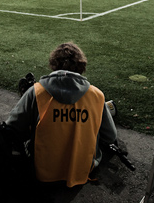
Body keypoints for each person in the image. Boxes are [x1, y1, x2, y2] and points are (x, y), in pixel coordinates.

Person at [6, 42, 117, 188]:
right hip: (83, 170)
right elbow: (110, 136)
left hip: (42, 171)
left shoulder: (36, 92)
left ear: (53, 64)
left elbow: (11, 129)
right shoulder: (96, 95)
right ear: (81, 65)